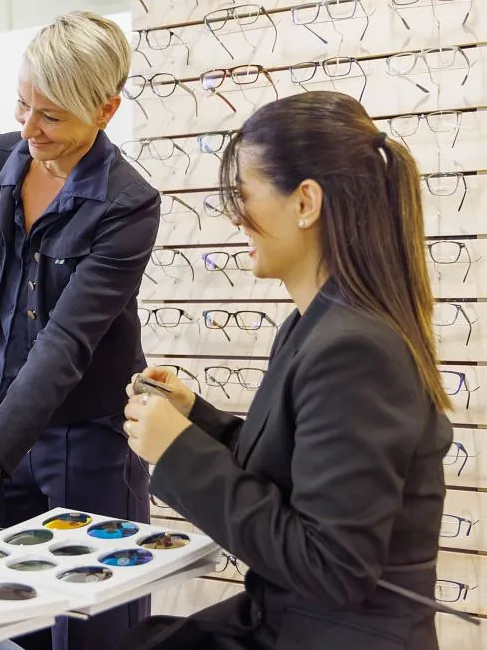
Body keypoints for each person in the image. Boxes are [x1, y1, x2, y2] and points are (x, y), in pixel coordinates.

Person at [120, 91, 453, 650]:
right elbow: (298, 475)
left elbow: (333, 567)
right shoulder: (313, 326)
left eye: (244, 196)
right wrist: (193, 420)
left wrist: (178, 451)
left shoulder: (355, 349)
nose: (234, 217)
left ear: (305, 203)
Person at [0, 11, 161, 650]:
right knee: (10, 616)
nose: (29, 128)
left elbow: (65, 341)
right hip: (2, 432)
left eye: (52, 116)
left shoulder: (127, 203)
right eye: (22, 104)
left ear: (106, 110)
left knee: (95, 624)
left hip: (87, 438)